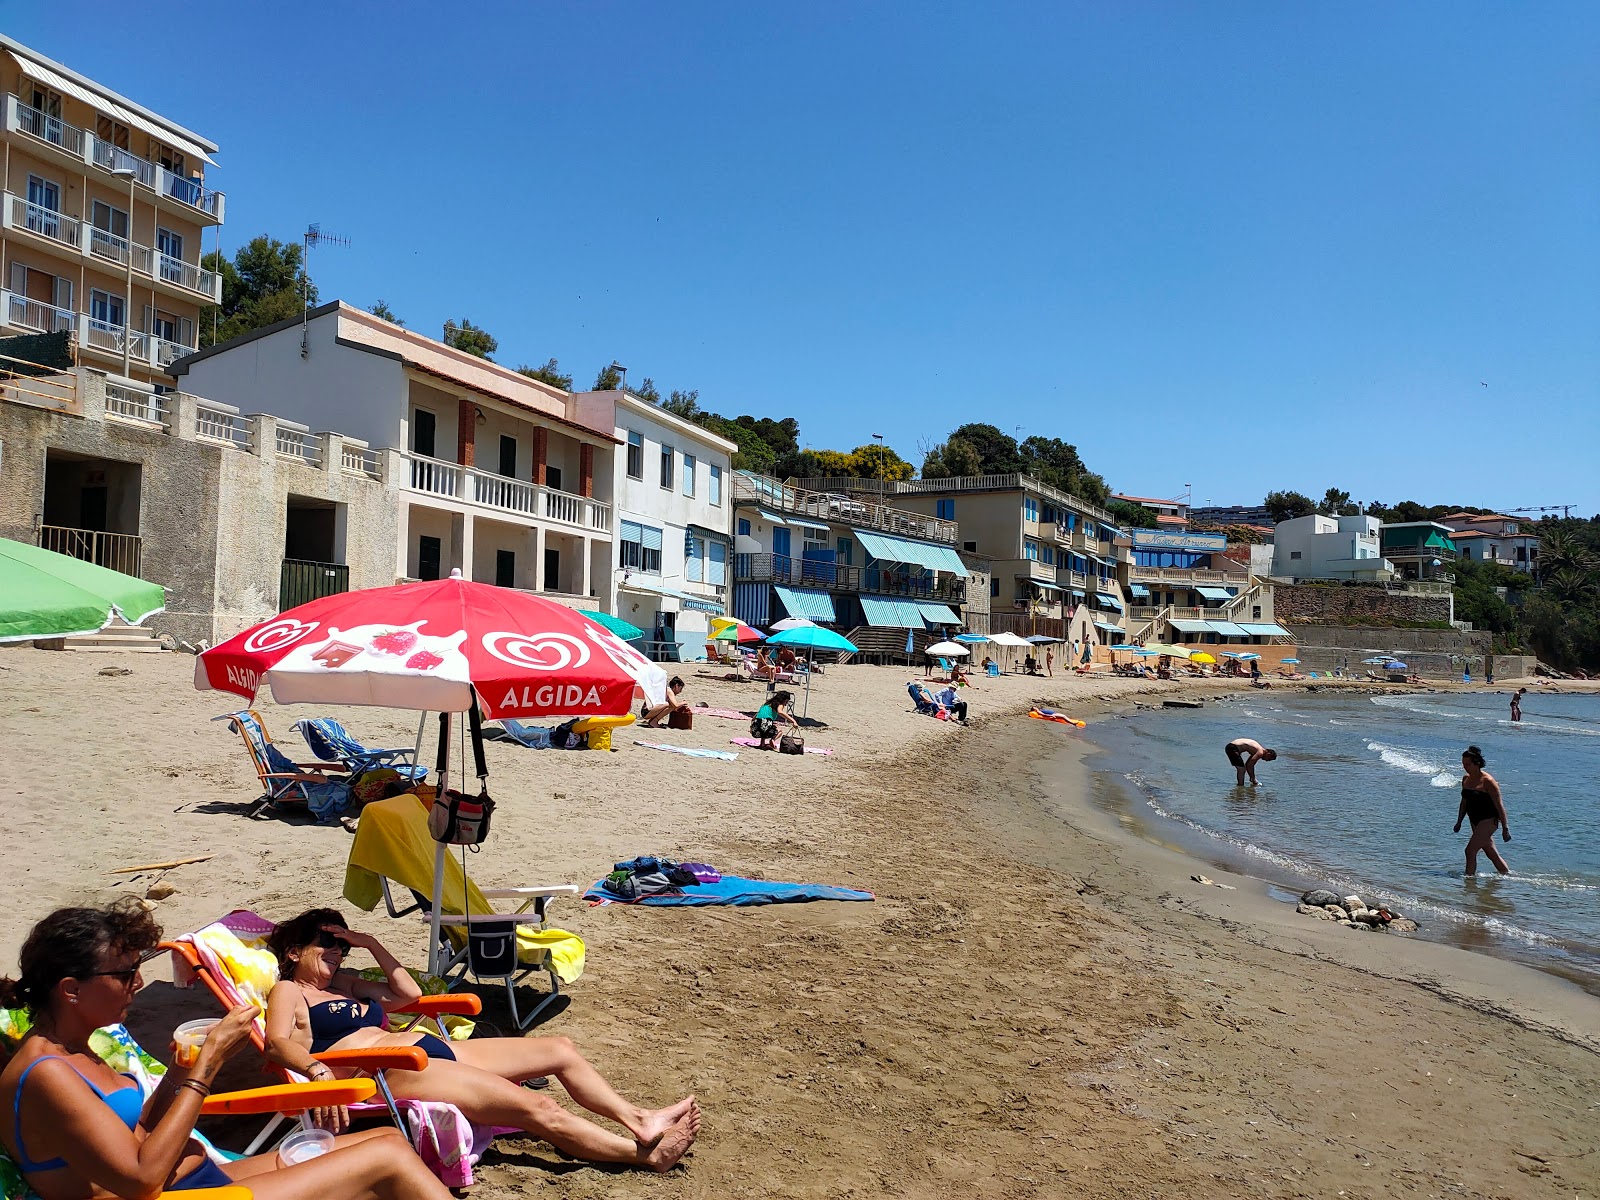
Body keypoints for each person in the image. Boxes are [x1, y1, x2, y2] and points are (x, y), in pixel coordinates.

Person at [0, 899, 453, 1200]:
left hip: (193, 1178)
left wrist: (181, 1071)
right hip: (168, 1193)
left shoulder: (78, 1049)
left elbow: (136, 1131)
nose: (137, 983)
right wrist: (207, 1067)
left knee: (387, 1137)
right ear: (71, 990)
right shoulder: (47, 1072)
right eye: (124, 974)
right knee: (386, 1159)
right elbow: (138, 1179)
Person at [264, 911, 700, 1171]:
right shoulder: (289, 990)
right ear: (294, 952)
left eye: (342, 944)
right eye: (326, 942)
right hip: (386, 1071)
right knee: (537, 1106)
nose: (337, 950)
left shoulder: (347, 983)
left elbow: (409, 996)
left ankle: (639, 1119)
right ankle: (642, 1156)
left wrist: (371, 943)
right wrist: (317, 1070)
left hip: (421, 1048)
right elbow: (276, 1043)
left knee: (560, 1050)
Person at [1454, 746, 1510, 875]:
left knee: (1470, 851)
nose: (1464, 767)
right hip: (1474, 819)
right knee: (1490, 852)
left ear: (1477, 764)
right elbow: (1464, 803)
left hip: (1489, 820)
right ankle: (1506, 876)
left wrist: (1505, 828)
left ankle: (1469, 882)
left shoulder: (1488, 781)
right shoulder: (1466, 779)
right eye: (1463, 764)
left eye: (1467, 764)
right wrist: (1459, 822)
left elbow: (1499, 805)